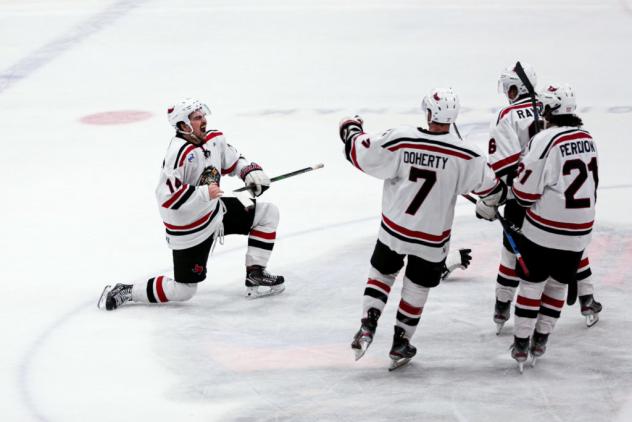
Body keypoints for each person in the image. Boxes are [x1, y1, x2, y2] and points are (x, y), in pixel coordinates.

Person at [340, 88, 506, 370]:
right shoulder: (467, 155)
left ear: (428, 113)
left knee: (382, 273)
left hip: (395, 229)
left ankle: (368, 324)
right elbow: (494, 190)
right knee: (416, 287)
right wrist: (488, 206)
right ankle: (400, 342)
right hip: (432, 239)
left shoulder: (401, 138)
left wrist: (351, 129)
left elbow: (359, 153)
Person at [98, 98, 284, 310]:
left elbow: (232, 160)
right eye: (197, 118)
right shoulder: (177, 154)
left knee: (267, 214)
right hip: (189, 230)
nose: (203, 120)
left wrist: (249, 172)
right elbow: (167, 197)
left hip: (215, 212)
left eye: (203, 116)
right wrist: (204, 193)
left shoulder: (214, 139)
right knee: (184, 290)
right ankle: (127, 290)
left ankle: (256, 274)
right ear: (184, 126)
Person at [488, 64, 601, 332]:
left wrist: (500, 194)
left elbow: (503, 168)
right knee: (570, 247)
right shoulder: (554, 112)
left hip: (523, 197)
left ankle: (502, 307)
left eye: (508, 87)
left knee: (511, 254)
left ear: (515, 88)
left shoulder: (506, 115)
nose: (507, 93)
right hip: (558, 197)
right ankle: (587, 299)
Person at [509, 84, 599, 369]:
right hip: (581, 231)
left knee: (532, 283)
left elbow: (525, 193)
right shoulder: (588, 137)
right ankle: (542, 338)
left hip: (545, 230)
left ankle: (522, 342)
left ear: (548, 110)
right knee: (559, 284)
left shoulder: (545, 138)